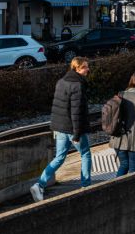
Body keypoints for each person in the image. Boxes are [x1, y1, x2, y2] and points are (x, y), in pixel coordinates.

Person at [30, 57, 93, 202]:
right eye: (84, 67)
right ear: (76, 69)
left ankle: (39, 184)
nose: (88, 69)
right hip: (72, 128)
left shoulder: (61, 82)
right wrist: (77, 133)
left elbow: (57, 107)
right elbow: (76, 112)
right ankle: (86, 186)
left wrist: (56, 127)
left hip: (60, 127)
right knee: (85, 154)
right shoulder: (77, 85)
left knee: (59, 157)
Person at [109, 72, 135, 177]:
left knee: (123, 165)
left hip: (118, 137)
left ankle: (117, 189)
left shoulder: (120, 94)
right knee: (133, 168)